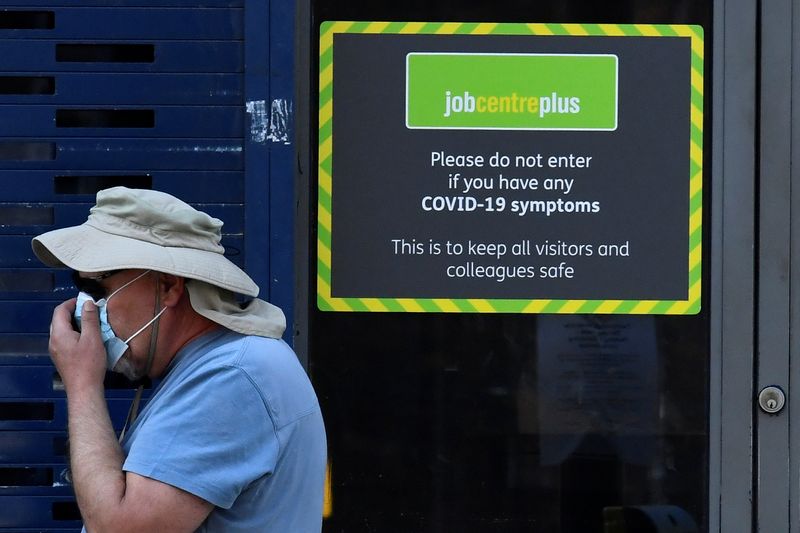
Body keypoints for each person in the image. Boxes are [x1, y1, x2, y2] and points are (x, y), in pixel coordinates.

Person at [32, 187, 327, 532]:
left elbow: (120, 528)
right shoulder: (211, 366)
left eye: (99, 289)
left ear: (168, 287)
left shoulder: (231, 377)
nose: (88, 310)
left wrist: (82, 383)